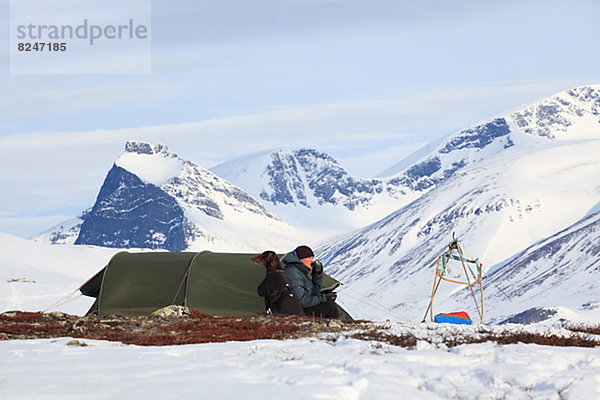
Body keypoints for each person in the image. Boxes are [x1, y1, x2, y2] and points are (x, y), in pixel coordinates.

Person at [282, 245, 339, 318]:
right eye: (309, 258)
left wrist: (317, 275)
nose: (312, 261)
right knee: (329, 307)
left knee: (329, 303)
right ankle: (332, 327)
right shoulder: (292, 272)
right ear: (301, 259)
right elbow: (301, 301)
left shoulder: (300, 270)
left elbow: (312, 293)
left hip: (301, 308)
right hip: (295, 312)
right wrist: (323, 298)